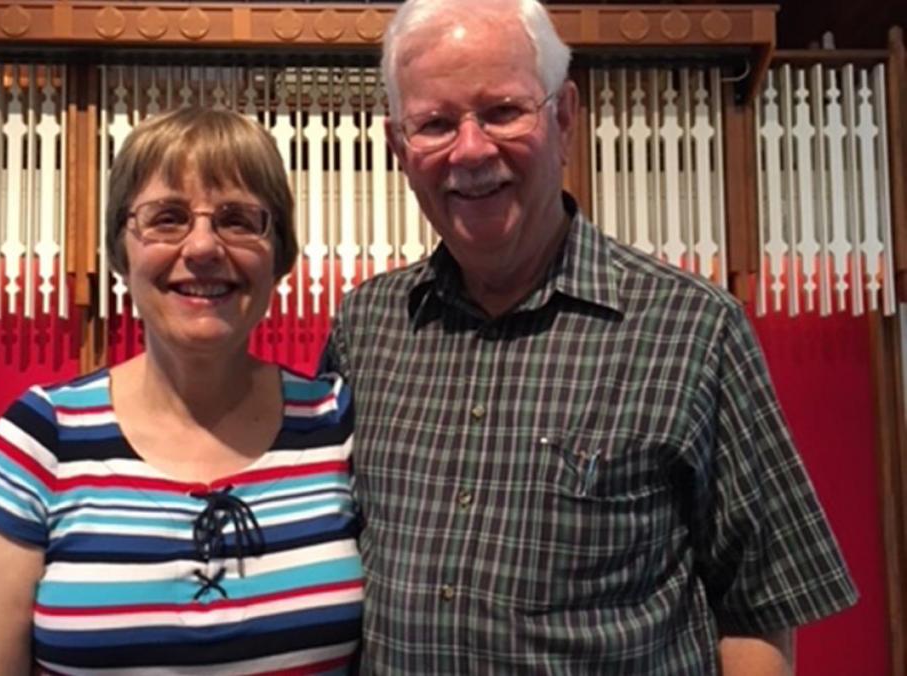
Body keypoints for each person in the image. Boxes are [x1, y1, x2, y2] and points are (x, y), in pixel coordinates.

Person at [320, 0, 857, 673]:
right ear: (399, 147)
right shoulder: (365, 329)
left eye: (502, 112)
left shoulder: (692, 330)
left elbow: (756, 612)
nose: (471, 149)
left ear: (564, 116)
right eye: (433, 123)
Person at [0, 107, 362, 675]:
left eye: (239, 219)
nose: (202, 247)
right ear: (121, 249)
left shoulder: (335, 425)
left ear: (280, 253)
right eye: (167, 217)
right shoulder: (43, 436)